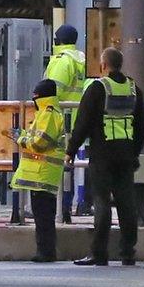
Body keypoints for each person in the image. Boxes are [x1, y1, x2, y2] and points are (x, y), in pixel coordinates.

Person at [67, 47, 144, 266]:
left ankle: (98, 253)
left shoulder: (97, 88)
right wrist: (134, 151)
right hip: (126, 156)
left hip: (102, 156)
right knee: (126, 203)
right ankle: (128, 252)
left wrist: (71, 151)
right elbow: (142, 126)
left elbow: (82, 123)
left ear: (104, 65)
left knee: (101, 202)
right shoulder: (133, 89)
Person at [9, 79, 65, 262]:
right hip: (42, 173)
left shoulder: (48, 114)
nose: (33, 99)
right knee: (42, 215)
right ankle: (45, 250)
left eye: (35, 96)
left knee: (43, 217)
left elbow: (40, 144)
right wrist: (23, 134)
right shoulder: (45, 113)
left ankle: (46, 252)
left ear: (41, 97)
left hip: (44, 173)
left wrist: (20, 140)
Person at [44, 24, 86, 219]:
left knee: (58, 164)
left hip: (61, 118)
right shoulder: (82, 59)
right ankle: (71, 205)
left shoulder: (62, 61)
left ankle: (62, 208)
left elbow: (52, 91)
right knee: (71, 165)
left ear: (58, 40)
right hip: (77, 118)